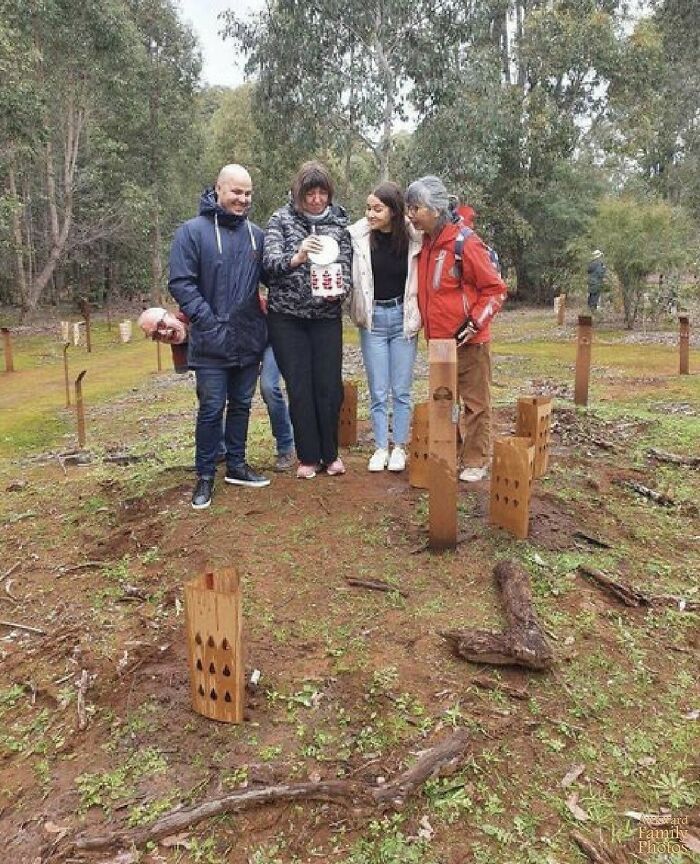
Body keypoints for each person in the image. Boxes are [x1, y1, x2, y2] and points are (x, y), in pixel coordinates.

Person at [168, 164, 270, 509]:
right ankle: (205, 475)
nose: (242, 199)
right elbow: (181, 282)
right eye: (236, 192)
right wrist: (207, 319)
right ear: (218, 190)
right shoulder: (191, 232)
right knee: (211, 408)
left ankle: (237, 466)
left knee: (242, 404)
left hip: (248, 338)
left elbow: (273, 274)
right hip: (210, 339)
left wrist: (301, 257)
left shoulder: (257, 235)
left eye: (248, 193)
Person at [405, 176, 507, 482]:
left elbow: (495, 290)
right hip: (438, 342)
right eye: (408, 208)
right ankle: (450, 452)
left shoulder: (466, 243)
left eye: (416, 208)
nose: (410, 215)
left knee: (475, 403)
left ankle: (476, 459)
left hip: (469, 341)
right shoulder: (425, 241)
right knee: (444, 399)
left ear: (435, 210)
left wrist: (473, 323)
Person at [263, 161, 352, 480]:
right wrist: (297, 257)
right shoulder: (280, 220)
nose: (316, 200)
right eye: (309, 193)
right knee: (299, 386)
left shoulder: (340, 223)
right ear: (298, 193)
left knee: (328, 386)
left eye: (321, 193)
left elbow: (348, 270)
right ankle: (308, 457)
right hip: (287, 318)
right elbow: (269, 267)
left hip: (326, 317)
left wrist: (338, 292)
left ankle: (331, 454)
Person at [138, 307, 294, 471]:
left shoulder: (196, 312)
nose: (163, 333)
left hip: (267, 339)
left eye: (161, 325)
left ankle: (286, 447)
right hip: (239, 351)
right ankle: (219, 450)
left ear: (171, 315)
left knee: (269, 387)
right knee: (208, 397)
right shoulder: (178, 341)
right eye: (156, 335)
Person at [349, 182, 422, 472]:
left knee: (401, 389)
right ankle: (380, 447)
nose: (370, 214)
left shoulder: (414, 237)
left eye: (377, 209)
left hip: (403, 317)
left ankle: (400, 447)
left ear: (394, 211)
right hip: (374, 320)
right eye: (368, 208)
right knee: (378, 389)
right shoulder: (360, 237)